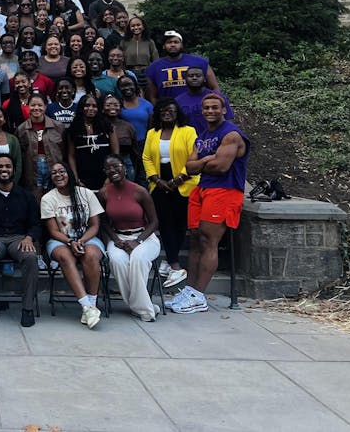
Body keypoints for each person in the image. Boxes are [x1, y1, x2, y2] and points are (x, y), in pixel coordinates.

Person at [168, 94, 250, 315]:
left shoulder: (231, 134)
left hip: (224, 190)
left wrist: (201, 163)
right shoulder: (202, 135)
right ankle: (190, 290)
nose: (210, 111)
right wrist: (205, 160)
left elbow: (222, 167)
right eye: (206, 108)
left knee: (208, 239)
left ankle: (199, 296)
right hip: (202, 189)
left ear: (224, 110)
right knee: (195, 239)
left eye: (215, 107)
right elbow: (190, 166)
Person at [0, 153, 41, 327]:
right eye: (0, 167)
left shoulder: (26, 196)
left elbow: (35, 224)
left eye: (8, 166)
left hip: (19, 239)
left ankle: (27, 308)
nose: (4, 170)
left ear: (14, 170)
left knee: (31, 258)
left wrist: (29, 238)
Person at [40, 161, 105, 329]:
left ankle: (92, 303)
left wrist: (81, 241)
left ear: (69, 173)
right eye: (54, 173)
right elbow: (53, 231)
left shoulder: (86, 194)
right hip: (61, 240)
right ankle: (87, 307)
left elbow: (95, 225)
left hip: (87, 237)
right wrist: (70, 242)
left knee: (90, 254)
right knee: (64, 255)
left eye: (62, 171)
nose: (58, 175)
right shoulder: (48, 198)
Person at [143, 99, 198, 289]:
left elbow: (194, 155)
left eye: (171, 111)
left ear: (177, 113)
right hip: (160, 182)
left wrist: (178, 179)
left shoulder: (188, 131)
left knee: (179, 223)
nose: (167, 113)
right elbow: (147, 157)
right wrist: (157, 180)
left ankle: (174, 264)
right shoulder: (152, 133)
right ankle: (172, 262)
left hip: (183, 182)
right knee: (164, 223)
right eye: (163, 111)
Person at [100, 155, 162, 321]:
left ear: (124, 167)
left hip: (144, 237)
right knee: (116, 261)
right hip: (119, 237)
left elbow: (154, 222)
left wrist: (138, 241)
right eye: (108, 168)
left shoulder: (139, 191)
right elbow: (103, 222)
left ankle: (144, 310)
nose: (113, 170)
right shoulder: (104, 193)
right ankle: (142, 306)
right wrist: (115, 239)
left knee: (138, 258)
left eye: (116, 166)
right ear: (105, 172)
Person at [145, 30, 220, 102]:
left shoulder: (200, 62)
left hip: (198, 108)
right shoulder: (153, 67)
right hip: (169, 111)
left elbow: (214, 87)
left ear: (181, 45)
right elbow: (152, 96)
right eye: (169, 42)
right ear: (164, 46)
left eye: (176, 42)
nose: (173, 45)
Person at [66, 94, 118, 191]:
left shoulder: (108, 127)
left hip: (105, 179)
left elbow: (115, 153)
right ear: (81, 108)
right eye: (87, 105)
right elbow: (71, 156)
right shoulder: (73, 130)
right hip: (83, 180)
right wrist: (76, 179)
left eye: (94, 106)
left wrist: (109, 177)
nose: (91, 108)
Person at [18, 94, 66, 193]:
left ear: (45, 106)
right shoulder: (21, 129)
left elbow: (64, 150)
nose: (36, 108)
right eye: (33, 105)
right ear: (28, 106)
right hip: (32, 169)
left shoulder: (58, 127)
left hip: (54, 167)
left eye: (40, 105)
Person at [175, 66, 234, 135]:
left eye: (198, 76)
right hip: (189, 141)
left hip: (215, 139)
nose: (194, 78)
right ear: (185, 79)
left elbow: (228, 120)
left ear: (204, 79)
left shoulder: (217, 97)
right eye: (191, 76)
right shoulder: (178, 101)